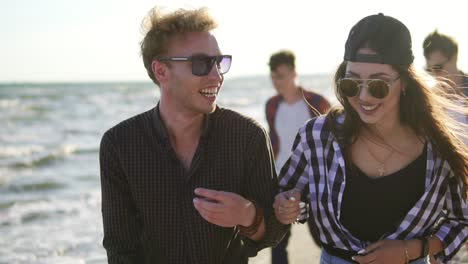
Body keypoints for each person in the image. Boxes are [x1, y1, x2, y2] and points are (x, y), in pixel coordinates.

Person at [273, 13, 468, 264]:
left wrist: (410, 250)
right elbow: (292, 198)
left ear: (405, 82)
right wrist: (287, 206)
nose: (364, 97)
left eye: (378, 85)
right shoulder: (317, 136)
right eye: (351, 84)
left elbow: (461, 221)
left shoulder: (439, 148)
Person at [99, 7, 287, 264]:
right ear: (161, 71)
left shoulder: (248, 136)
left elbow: (274, 231)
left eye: (219, 62)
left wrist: (248, 215)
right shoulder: (119, 145)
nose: (217, 76)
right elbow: (120, 250)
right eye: (201, 64)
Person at [265, 50, 330, 264]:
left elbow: (332, 141)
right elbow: (275, 142)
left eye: (281, 76)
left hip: (315, 182)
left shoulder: (316, 102)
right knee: (277, 241)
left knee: (323, 238)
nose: (277, 82)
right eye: (274, 77)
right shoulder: (272, 105)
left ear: (294, 73)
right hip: (283, 179)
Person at [423, 30, 468, 96]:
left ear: (454, 58)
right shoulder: (432, 98)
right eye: (428, 70)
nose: (435, 76)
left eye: (437, 68)